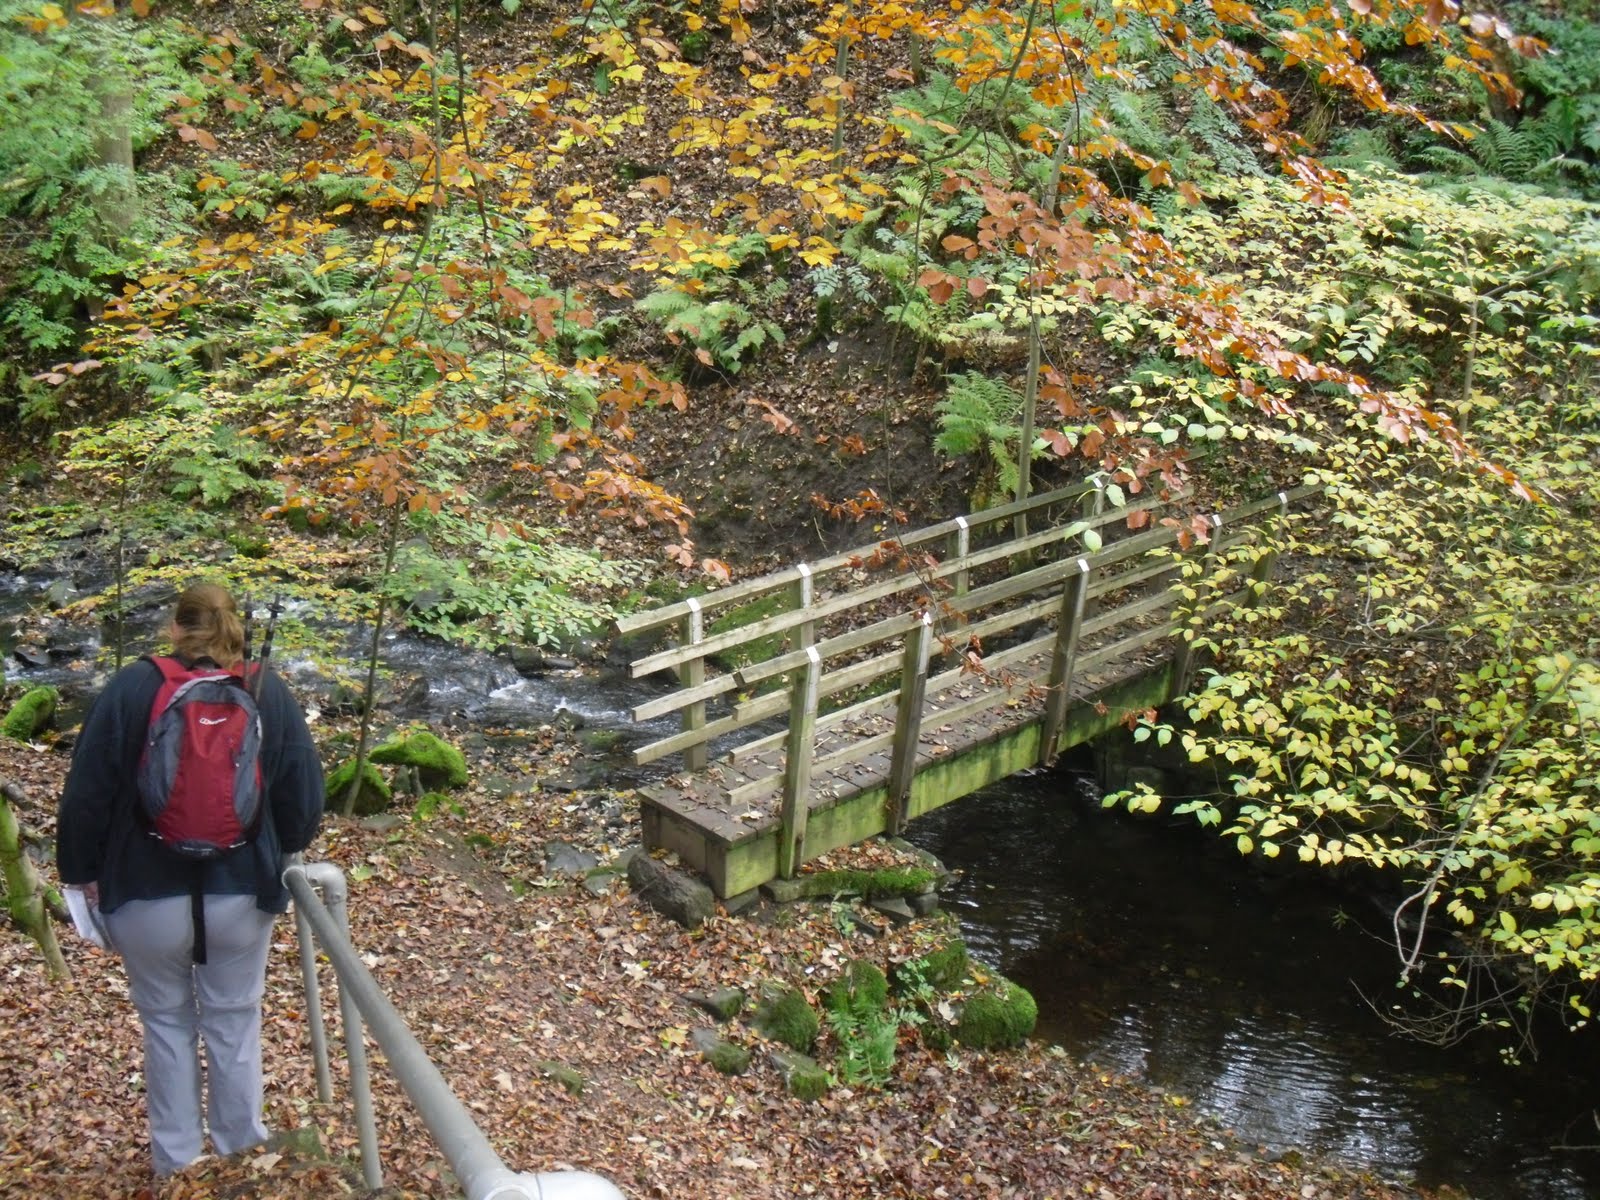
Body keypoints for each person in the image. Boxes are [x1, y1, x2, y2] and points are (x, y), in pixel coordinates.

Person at [56, 582, 324, 1177]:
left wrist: (80, 876)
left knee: (166, 1024)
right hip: (241, 891)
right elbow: (303, 799)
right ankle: (241, 1157)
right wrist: (287, 849)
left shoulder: (133, 686)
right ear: (235, 629)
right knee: (233, 1018)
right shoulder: (264, 689)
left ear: (174, 629)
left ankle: (176, 1167)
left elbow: (85, 798)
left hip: (144, 892)